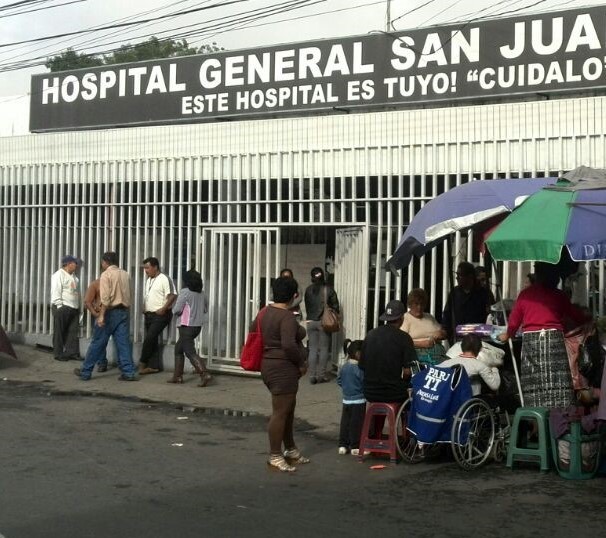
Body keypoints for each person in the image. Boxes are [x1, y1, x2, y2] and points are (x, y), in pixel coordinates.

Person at [498, 262, 590, 408]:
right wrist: (587, 318)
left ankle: (536, 417)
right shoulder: (559, 295)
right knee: (556, 380)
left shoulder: (526, 295)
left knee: (534, 381)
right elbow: (575, 315)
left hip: (531, 342)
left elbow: (514, 320)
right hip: (554, 340)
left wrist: (508, 334)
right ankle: (559, 415)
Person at [254, 276, 308, 473]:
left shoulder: (264, 313)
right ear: (294, 295)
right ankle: (275, 454)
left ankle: (291, 449)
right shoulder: (286, 317)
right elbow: (288, 344)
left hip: (269, 365)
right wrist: (301, 363)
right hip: (282, 368)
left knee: (287, 410)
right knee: (280, 412)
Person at [75, 252, 137, 381]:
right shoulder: (125, 274)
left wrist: (101, 315)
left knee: (97, 342)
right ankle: (129, 372)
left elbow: (105, 298)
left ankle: (86, 371)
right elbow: (129, 293)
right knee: (123, 343)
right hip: (124, 311)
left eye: (102, 262)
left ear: (105, 262)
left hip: (110, 312)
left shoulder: (106, 275)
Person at [359, 299, 416, 404]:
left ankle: (376, 420)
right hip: (394, 393)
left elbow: (362, 366)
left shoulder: (370, 334)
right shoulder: (404, 338)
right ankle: (403, 419)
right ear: (402, 318)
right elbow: (408, 372)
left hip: (369, 392)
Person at [168, 269, 212, 387]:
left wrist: (174, 311)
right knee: (178, 349)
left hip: (186, 326)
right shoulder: (202, 293)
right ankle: (177, 376)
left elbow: (177, 309)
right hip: (197, 326)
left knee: (190, 352)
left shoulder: (185, 292)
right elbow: (205, 309)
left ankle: (204, 373)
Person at [139, 257, 176, 374]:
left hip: (160, 315)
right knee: (152, 340)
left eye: (147, 268)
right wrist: (145, 306)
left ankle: (142, 364)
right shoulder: (149, 279)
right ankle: (154, 366)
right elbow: (148, 295)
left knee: (149, 338)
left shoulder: (164, 279)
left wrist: (164, 308)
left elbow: (173, 295)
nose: (146, 270)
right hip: (149, 314)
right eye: (144, 268)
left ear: (155, 267)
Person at [304, 267, 339, 384]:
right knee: (324, 349)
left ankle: (312, 376)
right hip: (323, 323)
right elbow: (335, 306)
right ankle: (322, 375)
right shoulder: (328, 290)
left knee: (312, 349)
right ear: (323, 276)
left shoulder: (308, 290)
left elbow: (308, 306)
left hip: (310, 322)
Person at [441, 261, 492, 343]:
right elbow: (447, 313)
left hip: (479, 338)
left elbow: (491, 315)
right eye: (456, 275)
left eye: (460, 275)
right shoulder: (455, 292)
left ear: (470, 276)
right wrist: (446, 330)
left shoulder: (483, 293)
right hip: (457, 337)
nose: (457, 278)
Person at [401, 288, 447, 366]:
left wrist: (441, 333)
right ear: (409, 304)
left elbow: (444, 333)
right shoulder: (405, 318)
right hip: (419, 355)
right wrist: (421, 343)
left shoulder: (429, 317)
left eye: (422, 304)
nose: (419, 307)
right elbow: (402, 341)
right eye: (416, 304)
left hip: (438, 353)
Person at [337, 339, 365, 456]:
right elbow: (364, 382)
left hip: (346, 399)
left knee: (345, 423)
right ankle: (355, 445)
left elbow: (339, 380)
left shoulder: (344, 367)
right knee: (356, 423)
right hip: (359, 400)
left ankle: (343, 445)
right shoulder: (360, 368)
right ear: (359, 353)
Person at [50, 255, 81, 362]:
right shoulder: (58, 275)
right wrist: (59, 306)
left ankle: (71, 352)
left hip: (73, 307)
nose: (76, 265)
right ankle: (58, 353)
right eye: (74, 263)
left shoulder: (74, 277)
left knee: (72, 331)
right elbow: (56, 290)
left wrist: (78, 308)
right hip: (63, 307)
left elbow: (76, 293)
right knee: (59, 331)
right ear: (68, 264)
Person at [83, 273, 110, 372]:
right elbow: (87, 301)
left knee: (99, 340)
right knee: (100, 341)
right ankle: (102, 362)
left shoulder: (105, 284)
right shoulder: (96, 284)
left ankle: (100, 363)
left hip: (108, 314)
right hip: (103, 314)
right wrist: (95, 314)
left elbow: (87, 302)